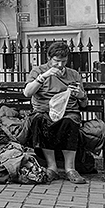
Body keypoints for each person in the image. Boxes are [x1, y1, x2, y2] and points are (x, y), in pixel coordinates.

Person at [23, 42, 88, 184]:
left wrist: (81, 95)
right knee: (41, 120)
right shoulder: (39, 71)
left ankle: (70, 169)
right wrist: (44, 76)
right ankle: (52, 167)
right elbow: (27, 92)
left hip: (69, 111)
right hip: (44, 110)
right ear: (49, 58)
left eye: (63, 61)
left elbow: (84, 104)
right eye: (56, 61)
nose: (60, 64)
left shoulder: (74, 74)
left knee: (70, 121)